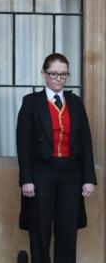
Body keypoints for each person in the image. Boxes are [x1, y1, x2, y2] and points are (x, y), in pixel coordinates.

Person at [17, 53, 96, 263]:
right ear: (44, 74)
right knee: (40, 230)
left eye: (64, 75)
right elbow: (23, 144)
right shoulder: (31, 102)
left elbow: (86, 141)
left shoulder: (76, 103)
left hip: (71, 174)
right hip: (42, 173)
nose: (58, 79)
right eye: (54, 74)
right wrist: (27, 178)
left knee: (68, 231)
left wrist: (88, 178)